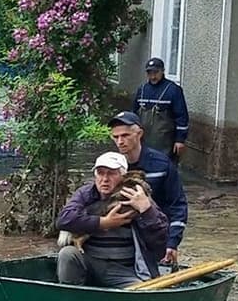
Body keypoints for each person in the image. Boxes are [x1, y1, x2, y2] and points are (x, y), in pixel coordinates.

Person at [55, 152, 169, 288]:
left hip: (124, 270)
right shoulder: (86, 193)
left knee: (141, 292)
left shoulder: (137, 196)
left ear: (123, 177)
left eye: (111, 173)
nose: (105, 179)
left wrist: (146, 209)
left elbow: (160, 243)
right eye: (100, 173)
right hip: (91, 261)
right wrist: (104, 223)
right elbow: (63, 220)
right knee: (67, 254)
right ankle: (70, 297)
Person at [107, 110, 189, 266]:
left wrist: (172, 242)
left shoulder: (162, 164)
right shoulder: (111, 166)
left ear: (139, 134)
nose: (120, 142)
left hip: (154, 232)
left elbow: (177, 205)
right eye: (115, 137)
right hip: (120, 234)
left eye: (125, 136)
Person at [132, 57, 189, 162]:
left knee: (166, 169)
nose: (153, 76)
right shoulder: (142, 89)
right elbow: (133, 114)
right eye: (149, 73)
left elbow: (181, 116)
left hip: (166, 144)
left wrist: (180, 140)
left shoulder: (173, 90)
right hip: (143, 142)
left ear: (162, 71)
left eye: (156, 72)